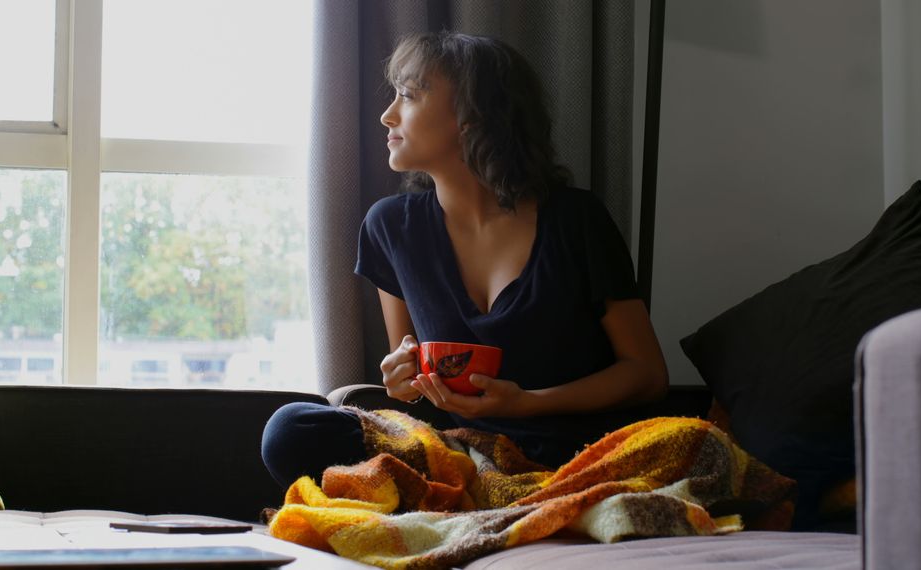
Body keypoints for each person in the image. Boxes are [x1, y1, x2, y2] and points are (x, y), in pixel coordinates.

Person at [261, 31, 668, 487]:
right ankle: (476, 495)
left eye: (409, 96)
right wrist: (401, 379)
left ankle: (491, 500)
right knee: (291, 429)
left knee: (690, 442)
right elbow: (410, 370)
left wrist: (528, 402)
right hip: (460, 453)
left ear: (471, 118)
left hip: (579, 449)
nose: (387, 114)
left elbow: (647, 374)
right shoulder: (390, 227)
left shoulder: (577, 221)